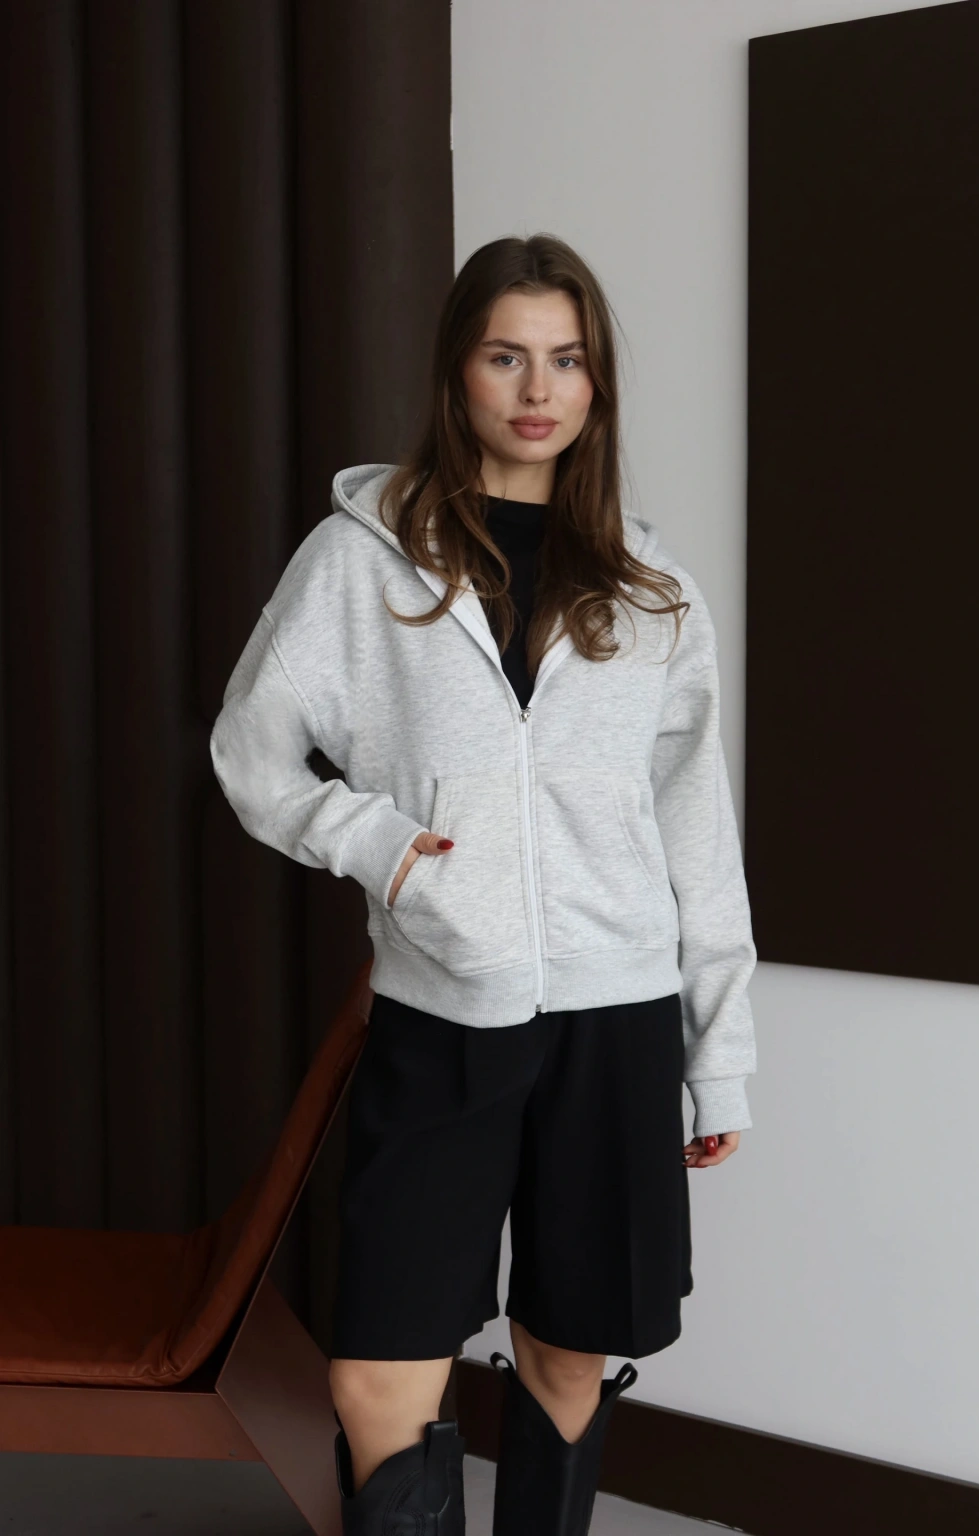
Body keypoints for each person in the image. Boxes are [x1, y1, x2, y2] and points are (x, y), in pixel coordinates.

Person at [209, 232, 757, 1536]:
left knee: (568, 1351)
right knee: (379, 1372)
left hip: (618, 1018)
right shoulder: (360, 560)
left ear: (597, 382)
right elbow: (250, 750)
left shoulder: (654, 593)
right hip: (443, 1013)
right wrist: (382, 845)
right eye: (507, 355)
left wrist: (719, 1054)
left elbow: (696, 828)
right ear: (458, 370)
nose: (538, 388)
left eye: (567, 359)